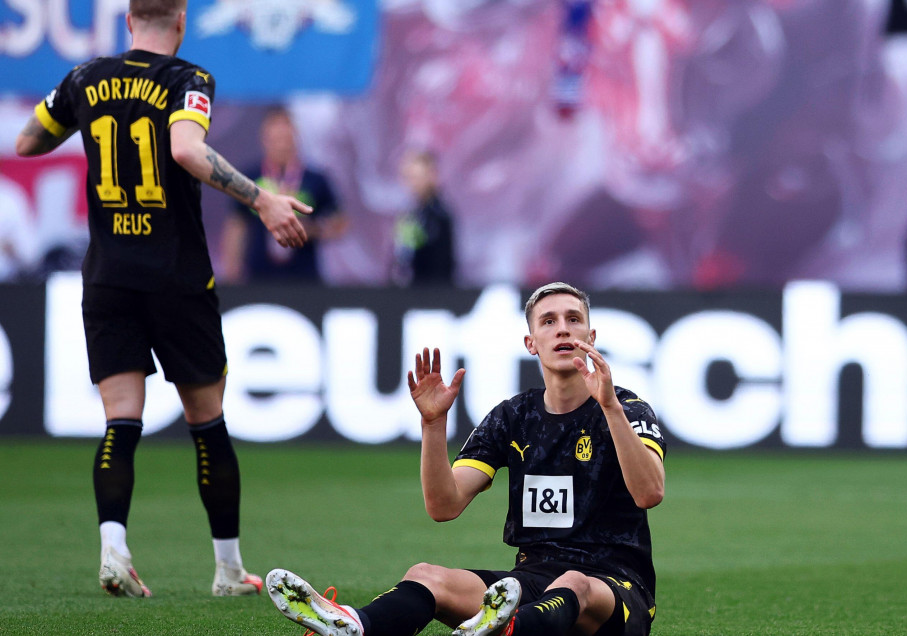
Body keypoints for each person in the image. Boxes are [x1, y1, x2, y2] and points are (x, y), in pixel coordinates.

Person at [15, 0, 311, 598]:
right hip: (175, 276)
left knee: (121, 421)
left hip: (107, 277)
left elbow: (27, 143)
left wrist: (88, 119)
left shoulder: (85, 78)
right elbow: (184, 150)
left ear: (128, 21)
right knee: (209, 424)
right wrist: (263, 200)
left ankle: (114, 550)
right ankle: (229, 570)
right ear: (180, 22)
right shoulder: (188, 79)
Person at [266, 282, 666, 636]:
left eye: (573, 319)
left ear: (590, 335)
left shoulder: (628, 409)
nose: (562, 327)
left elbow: (650, 493)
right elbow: (444, 505)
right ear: (531, 343)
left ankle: (506, 629)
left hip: (614, 589)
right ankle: (354, 624)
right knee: (425, 576)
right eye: (547, 321)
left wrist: (609, 406)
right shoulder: (512, 417)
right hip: (530, 581)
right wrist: (433, 424)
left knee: (574, 583)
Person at [221, 106, 347, 283]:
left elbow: (340, 223)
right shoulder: (250, 178)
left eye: (285, 137)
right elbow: (236, 224)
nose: (281, 143)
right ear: (264, 138)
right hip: (258, 276)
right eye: (275, 138)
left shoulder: (315, 179)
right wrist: (232, 269)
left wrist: (313, 230)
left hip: (304, 276)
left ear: (295, 137)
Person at [393, 149, 456, 286]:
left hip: (431, 296)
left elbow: (441, 264)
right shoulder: (409, 215)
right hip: (407, 294)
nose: (412, 183)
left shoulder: (439, 217)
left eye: (417, 177)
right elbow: (402, 257)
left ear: (432, 176)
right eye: (408, 177)